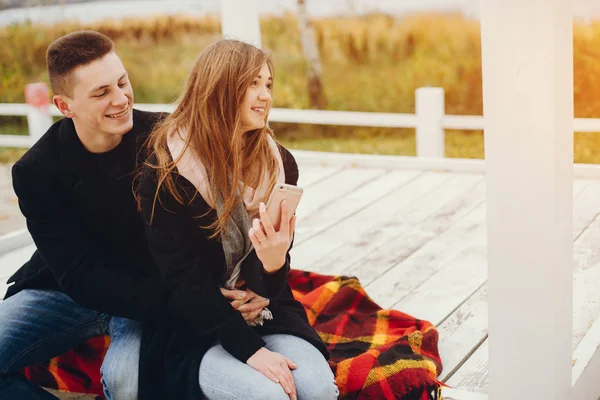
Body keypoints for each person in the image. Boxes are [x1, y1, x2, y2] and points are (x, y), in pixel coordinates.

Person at [0, 30, 270, 400]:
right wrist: (186, 303)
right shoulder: (36, 171)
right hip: (65, 290)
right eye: (101, 93)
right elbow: (79, 276)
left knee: (127, 383)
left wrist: (227, 292)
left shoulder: (170, 137)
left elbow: (216, 228)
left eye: (122, 82)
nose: (121, 99)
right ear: (65, 107)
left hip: (153, 290)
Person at [135, 39, 339, 400]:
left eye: (268, 84)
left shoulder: (278, 163)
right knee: (269, 395)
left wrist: (274, 263)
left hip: (266, 311)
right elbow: (182, 279)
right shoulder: (168, 170)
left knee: (318, 389)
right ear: (219, 88)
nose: (265, 95)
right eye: (252, 84)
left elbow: (271, 285)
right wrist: (251, 350)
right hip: (195, 324)